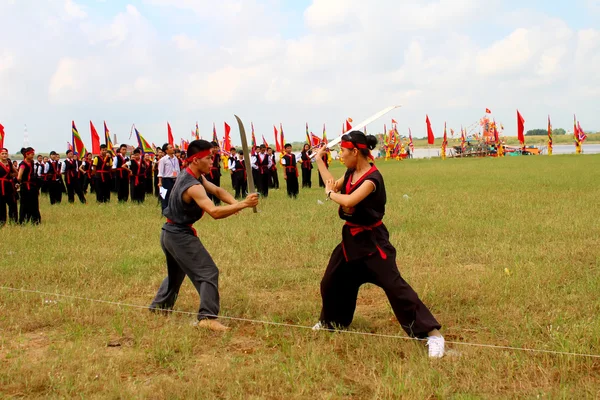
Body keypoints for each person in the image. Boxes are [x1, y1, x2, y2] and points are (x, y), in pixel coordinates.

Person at [312, 131, 445, 358]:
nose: (341, 156)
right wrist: (319, 161)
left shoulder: (372, 179)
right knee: (331, 282)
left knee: (396, 288)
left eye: (343, 152)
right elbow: (333, 186)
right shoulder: (352, 172)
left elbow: (348, 199)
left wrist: (329, 193)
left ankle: (433, 335)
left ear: (355, 151)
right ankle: (332, 322)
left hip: (373, 244)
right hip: (351, 240)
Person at [149, 140, 259, 331]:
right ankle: (207, 317)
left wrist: (236, 202)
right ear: (195, 160)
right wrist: (243, 205)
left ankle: (159, 308)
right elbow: (214, 212)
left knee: (175, 274)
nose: (212, 162)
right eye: (209, 158)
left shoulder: (194, 176)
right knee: (208, 272)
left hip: (170, 234)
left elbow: (216, 190)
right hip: (178, 235)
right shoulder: (192, 185)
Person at [17, 147, 41, 224]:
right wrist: (23, 183)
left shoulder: (32, 162)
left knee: (34, 203)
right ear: (26, 155)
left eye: (33, 154)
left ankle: (35, 220)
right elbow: (19, 177)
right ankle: (23, 220)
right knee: (25, 204)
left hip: (32, 187)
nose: (32, 156)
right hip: (26, 187)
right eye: (31, 154)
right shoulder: (23, 164)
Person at [157, 143, 180, 213]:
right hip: (166, 180)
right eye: (170, 148)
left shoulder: (175, 159)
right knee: (165, 196)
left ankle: (173, 211)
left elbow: (177, 169)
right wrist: (160, 182)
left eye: (172, 147)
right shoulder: (163, 160)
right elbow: (160, 172)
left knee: (174, 196)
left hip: (175, 179)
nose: (172, 148)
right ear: (166, 151)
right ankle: (165, 211)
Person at [0, 147, 18, 225]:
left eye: (6, 154)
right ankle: (2, 222)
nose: (4, 155)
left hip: (9, 186)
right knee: (1, 206)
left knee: (13, 204)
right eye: (2, 154)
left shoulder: (10, 163)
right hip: (0, 186)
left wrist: (11, 175)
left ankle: (13, 222)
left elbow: (16, 172)